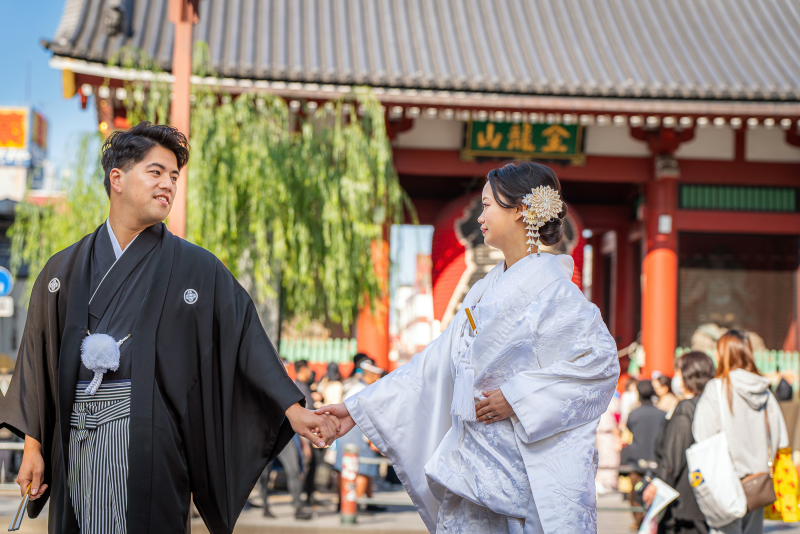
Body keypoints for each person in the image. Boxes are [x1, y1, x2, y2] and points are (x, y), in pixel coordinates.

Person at [1, 122, 339, 534]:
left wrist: (293, 409)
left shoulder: (197, 268)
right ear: (117, 179)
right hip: (75, 443)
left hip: (152, 448)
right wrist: (33, 447)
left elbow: (244, 339)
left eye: (174, 177)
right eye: (156, 172)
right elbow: (36, 362)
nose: (169, 185)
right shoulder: (62, 270)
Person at [317, 162, 620, 533]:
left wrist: (519, 397)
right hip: (474, 461)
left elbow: (599, 366)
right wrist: (356, 408)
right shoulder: (481, 291)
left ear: (522, 210)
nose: (480, 217)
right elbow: (433, 363)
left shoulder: (559, 294)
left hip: (525, 471)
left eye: (488, 205)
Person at [692, 330, 789, 534]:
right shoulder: (764, 389)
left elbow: (702, 434)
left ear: (723, 354)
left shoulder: (717, 388)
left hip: (726, 480)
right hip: (759, 481)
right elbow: (780, 438)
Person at [643, 351, 714, 534]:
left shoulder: (685, 408)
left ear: (688, 375)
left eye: (679, 372)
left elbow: (673, 456)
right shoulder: (712, 405)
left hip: (681, 501)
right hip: (705, 495)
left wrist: (658, 484)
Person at [332, 360, 385, 510]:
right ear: (372, 375)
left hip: (345, 434)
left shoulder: (353, 386)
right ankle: (350, 508)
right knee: (363, 469)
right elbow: (366, 417)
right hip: (358, 435)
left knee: (344, 469)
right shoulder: (364, 390)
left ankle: (349, 504)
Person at [621, 380, 666, 528]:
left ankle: (638, 521)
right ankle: (651, 522)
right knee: (654, 493)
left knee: (635, 493)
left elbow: (630, 429)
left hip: (637, 461)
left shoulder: (634, 414)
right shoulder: (662, 414)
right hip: (656, 460)